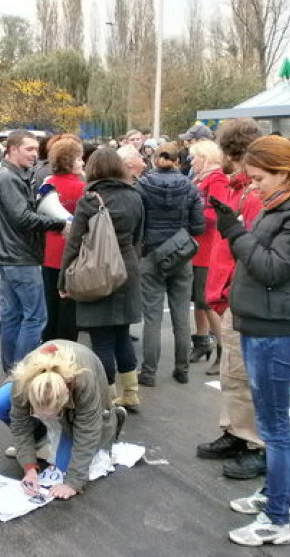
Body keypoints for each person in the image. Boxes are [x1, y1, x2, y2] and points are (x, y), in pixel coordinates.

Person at [213, 135, 290, 546]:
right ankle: (271, 496)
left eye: (259, 177)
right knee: (269, 423)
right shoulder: (282, 206)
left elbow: (269, 268)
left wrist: (234, 232)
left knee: (275, 429)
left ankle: (277, 520)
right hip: (261, 324)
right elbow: (263, 255)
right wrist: (241, 229)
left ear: (284, 172)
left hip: (278, 331)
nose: (253, 184)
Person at [197, 118, 266, 480]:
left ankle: (256, 444)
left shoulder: (253, 195)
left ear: (229, 151)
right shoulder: (239, 189)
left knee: (245, 375)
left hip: (241, 298)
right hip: (228, 297)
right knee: (232, 374)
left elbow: (250, 252)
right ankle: (235, 432)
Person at [60, 148, 144, 410]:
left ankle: (106, 400)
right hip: (127, 268)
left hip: (96, 269)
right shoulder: (135, 196)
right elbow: (141, 235)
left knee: (102, 340)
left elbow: (74, 244)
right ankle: (130, 393)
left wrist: (64, 279)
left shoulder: (90, 200)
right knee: (121, 333)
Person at [0, 340, 125, 500]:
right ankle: (40, 439)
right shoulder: (22, 382)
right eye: (38, 414)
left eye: (51, 415)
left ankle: (112, 420)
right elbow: (20, 424)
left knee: (64, 467)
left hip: (85, 385)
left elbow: (87, 432)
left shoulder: (83, 381)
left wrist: (73, 482)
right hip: (41, 385)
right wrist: (29, 467)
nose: (45, 418)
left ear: (65, 401)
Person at [0, 130, 67, 374]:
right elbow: (22, 218)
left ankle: (12, 371)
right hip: (19, 257)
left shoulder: (11, 175)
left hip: (11, 255)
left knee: (13, 316)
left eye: (35, 149)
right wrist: (59, 223)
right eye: (29, 149)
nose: (35, 154)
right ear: (13, 149)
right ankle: (23, 373)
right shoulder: (9, 178)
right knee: (34, 318)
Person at [136, 142, 204, 386]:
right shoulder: (190, 187)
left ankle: (149, 372)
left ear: (154, 159)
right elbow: (198, 226)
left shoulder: (142, 185)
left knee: (152, 318)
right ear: (178, 160)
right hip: (181, 254)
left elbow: (137, 222)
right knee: (181, 315)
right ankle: (182, 368)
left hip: (151, 254)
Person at [188, 140, 230, 373]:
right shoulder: (200, 179)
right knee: (197, 300)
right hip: (197, 247)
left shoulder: (218, 180)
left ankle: (224, 349)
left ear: (206, 157)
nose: (191, 161)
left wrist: (190, 214)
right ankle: (202, 340)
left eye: (195, 157)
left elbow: (217, 213)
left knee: (207, 300)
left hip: (208, 248)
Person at [42, 138, 86, 343]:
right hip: (72, 253)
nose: (83, 162)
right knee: (69, 308)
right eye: (79, 158)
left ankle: (48, 346)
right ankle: (66, 349)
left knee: (50, 305)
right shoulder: (81, 188)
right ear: (69, 161)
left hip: (49, 251)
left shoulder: (47, 183)